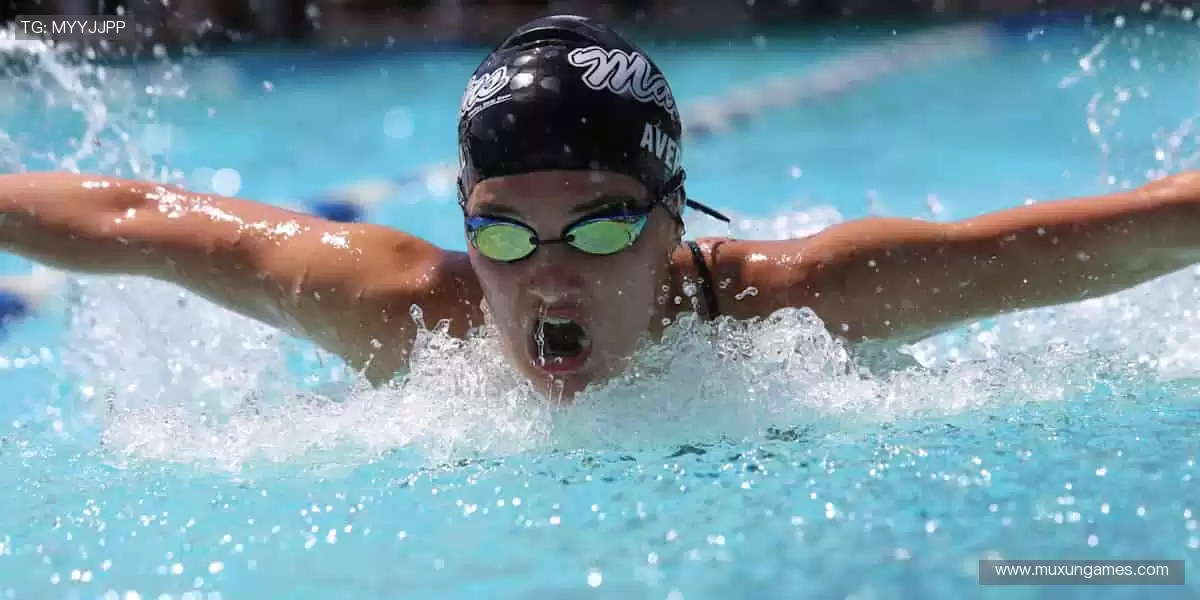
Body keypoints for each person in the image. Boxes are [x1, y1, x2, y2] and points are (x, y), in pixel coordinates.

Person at [1, 14, 1198, 400]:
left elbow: (1117, 236)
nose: (550, 276)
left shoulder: (796, 310)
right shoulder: (412, 317)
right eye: (505, 232)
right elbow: (130, 220)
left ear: (678, 220)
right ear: (467, 220)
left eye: (606, 223)